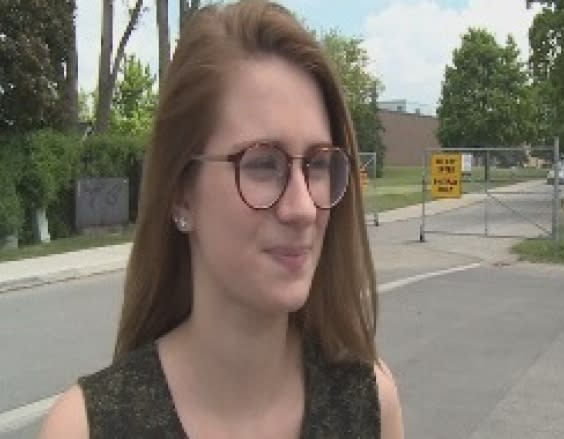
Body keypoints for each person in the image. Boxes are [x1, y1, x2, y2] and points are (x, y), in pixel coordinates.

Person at [39, 1, 404, 437]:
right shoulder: (84, 428)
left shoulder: (368, 404)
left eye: (318, 164)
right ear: (181, 194)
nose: (304, 208)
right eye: (263, 164)